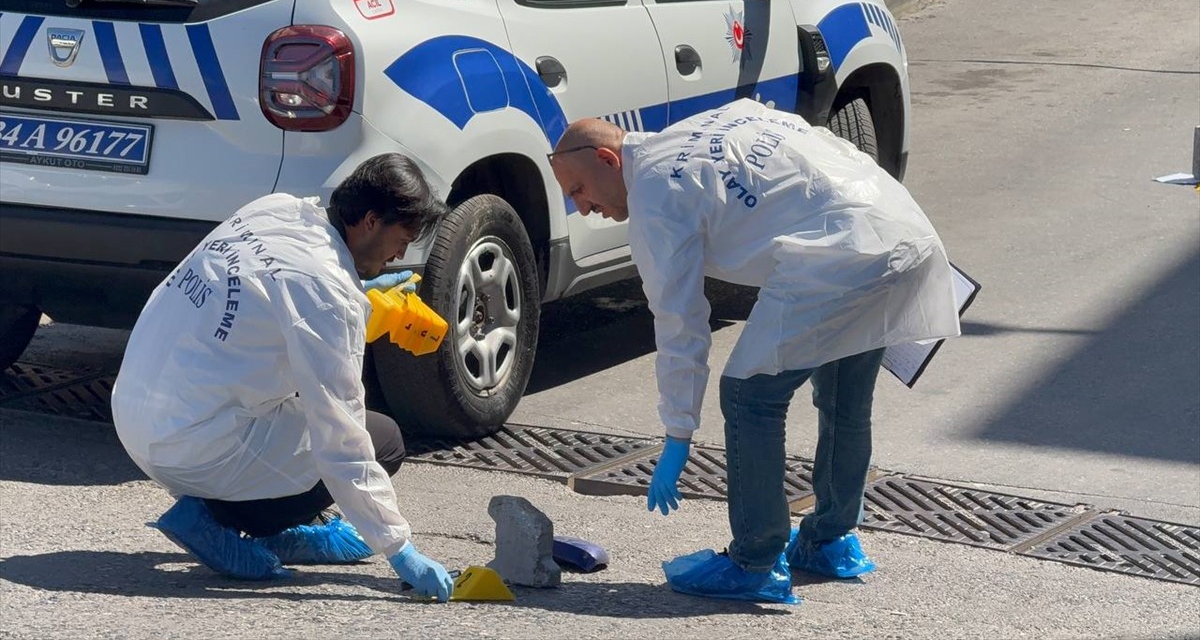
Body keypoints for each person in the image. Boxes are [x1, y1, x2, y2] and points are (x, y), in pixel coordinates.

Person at [548, 99, 961, 601]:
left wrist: (678, 434)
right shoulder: (711, 124)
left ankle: (755, 561)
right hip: (902, 231)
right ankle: (830, 540)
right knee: (844, 398)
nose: (584, 208)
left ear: (609, 161)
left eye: (580, 190)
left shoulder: (656, 193)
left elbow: (680, 323)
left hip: (838, 253)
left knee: (749, 396)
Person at [112, 153, 457, 601]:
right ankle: (227, 522)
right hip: (192, 443)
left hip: (136, 408)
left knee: (298, 408)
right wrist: (399, 550)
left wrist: (355, 297)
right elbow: (343, 441)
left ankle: (237, 506)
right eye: (402, 238)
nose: (401, 255)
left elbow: (276, 297)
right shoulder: (329, 296)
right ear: (371, 220)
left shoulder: (276, 210)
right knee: (382, 439)